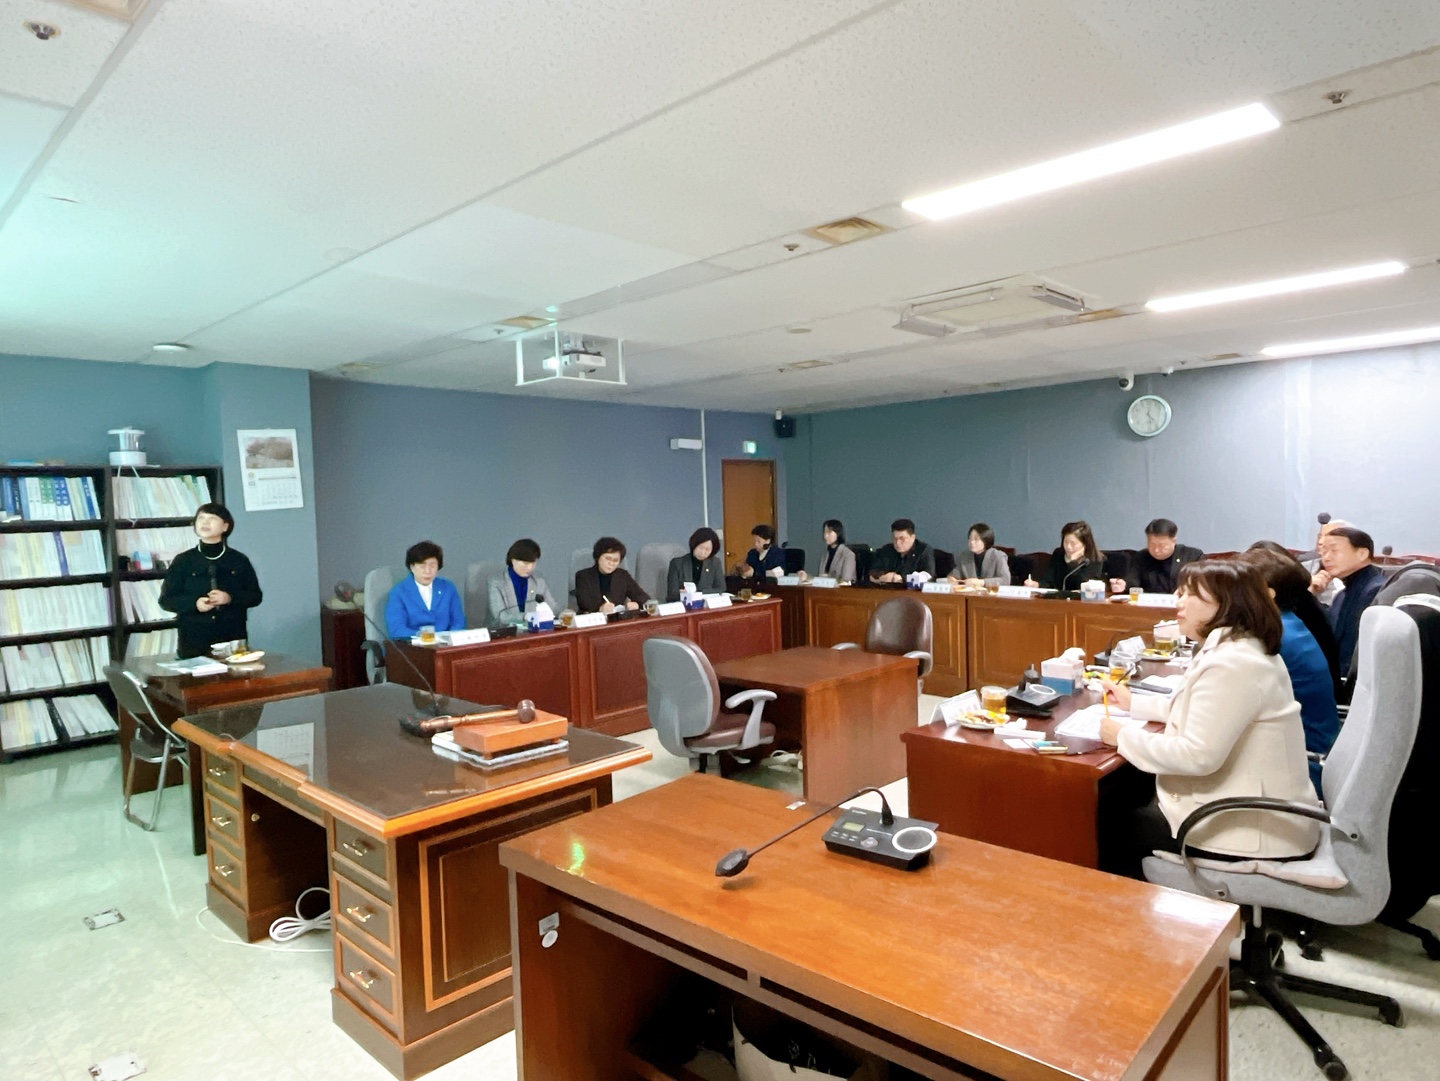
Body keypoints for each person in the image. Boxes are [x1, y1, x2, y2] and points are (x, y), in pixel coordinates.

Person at [1098, 559, 1318, 876]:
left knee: (1105, 820)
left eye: (1190, 593)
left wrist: (1122, 737)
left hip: (1252, 831)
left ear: (1225, 604)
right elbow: (1206, 711)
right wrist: (1135, 703)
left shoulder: (1233, 663)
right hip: (1254, 811)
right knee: (1124, 791)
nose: (1179, 600)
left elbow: (1196, 756)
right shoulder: (1241, 646)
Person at [1242, 545, 1341, 789]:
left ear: (1267, 593)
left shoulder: (1272, 637)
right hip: (1312, 752)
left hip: (1300, 766)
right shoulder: (1288, 622)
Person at [158, 503, 263, 659]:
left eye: (212, 518)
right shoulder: (183, 560)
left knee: (233, 673)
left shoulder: (238, 560)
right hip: (194, 637)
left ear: (225, 526)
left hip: (232, 635)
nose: (205, 523)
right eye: (201, 518)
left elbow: (255, 596)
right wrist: (195, 603)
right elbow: (166, 600)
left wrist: (229, 598)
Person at [1319, 525, 1386, 673]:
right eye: (1323, 551)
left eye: (1334, 550)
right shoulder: (1342, 595)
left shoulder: (1375, 591)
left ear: (1362, 554)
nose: (1326, 557)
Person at [385, 540, 466, 638]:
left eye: (432, 566)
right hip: (413, 644)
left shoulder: (448, 588)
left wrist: (450, 638)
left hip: (445, 643)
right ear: (412, 567)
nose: (428, 571)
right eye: (422, 566)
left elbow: (459, 622)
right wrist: (423, 636)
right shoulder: (399, 593)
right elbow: (397, 630)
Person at [1125, 518, 1203, 594]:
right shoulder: (1141, 557)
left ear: (1174, 541)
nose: (1156, 550)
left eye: (1161, 545)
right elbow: (1132, 582)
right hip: (1149, 601)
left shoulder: (1193, 556)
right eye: (1152, 544)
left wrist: (1185, 590)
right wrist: (1124, 585)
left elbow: (1201, 584)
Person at [573, 537, 649, 614]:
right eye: (608, 559)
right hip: (591, 619)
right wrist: (600, 608)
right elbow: (584, 603)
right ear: (598, 557)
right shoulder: (583, 576)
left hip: (616, 619)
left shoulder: (623, 576)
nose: (611, 563)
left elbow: (643, 597)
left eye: (615, 560)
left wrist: (637, 604)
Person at [488, 538, 554, 625]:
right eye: (525, 563)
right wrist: (524, 617)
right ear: (513, 560)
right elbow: (499, 617)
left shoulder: (539, 582)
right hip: (507, 631)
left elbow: (552, 608)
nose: (530, 568)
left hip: (533, 630)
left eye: (533, 563)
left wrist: (563, 613)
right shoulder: (497, 583)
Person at [1025, 521, 1107, 591]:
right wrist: (1037, 585)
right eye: (1066, 542)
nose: (1068, 547)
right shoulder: (1059, 554)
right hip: (1058, 600)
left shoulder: (1095, 560)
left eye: (1073, 543)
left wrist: (1073, 563)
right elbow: (1049, 581)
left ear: (1085, 544)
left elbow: (1083, 586)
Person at [666, 527, 726, 601]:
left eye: (707, 549)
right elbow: (672, 594)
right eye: (701, 548)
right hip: (683, 605)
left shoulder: (715, 563)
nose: (703, 552)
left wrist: (697, 593)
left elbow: (721, 589)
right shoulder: (677, 564)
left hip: (707, 605)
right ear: (694, 545)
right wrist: (682, 594)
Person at [869, 519, 936, 583]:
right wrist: (882, 577)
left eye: (902, 539)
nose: (897, 543)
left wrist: (901, 579)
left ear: (913, 537)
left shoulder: (923, 550)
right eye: (895, 539)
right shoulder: (887, 550)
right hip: (887, 589)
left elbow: (928, 576)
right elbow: (873, 572)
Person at [946, 523, 1010, 588]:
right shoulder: (965, 555)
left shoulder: (998, 556)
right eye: (970, 538)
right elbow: (954, 575)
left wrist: (982, 582)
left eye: (976, 539)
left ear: (986, 540)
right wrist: (951, 579)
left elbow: (1006, 580)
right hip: (971, 593)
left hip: (992, 593)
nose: (971, 542)